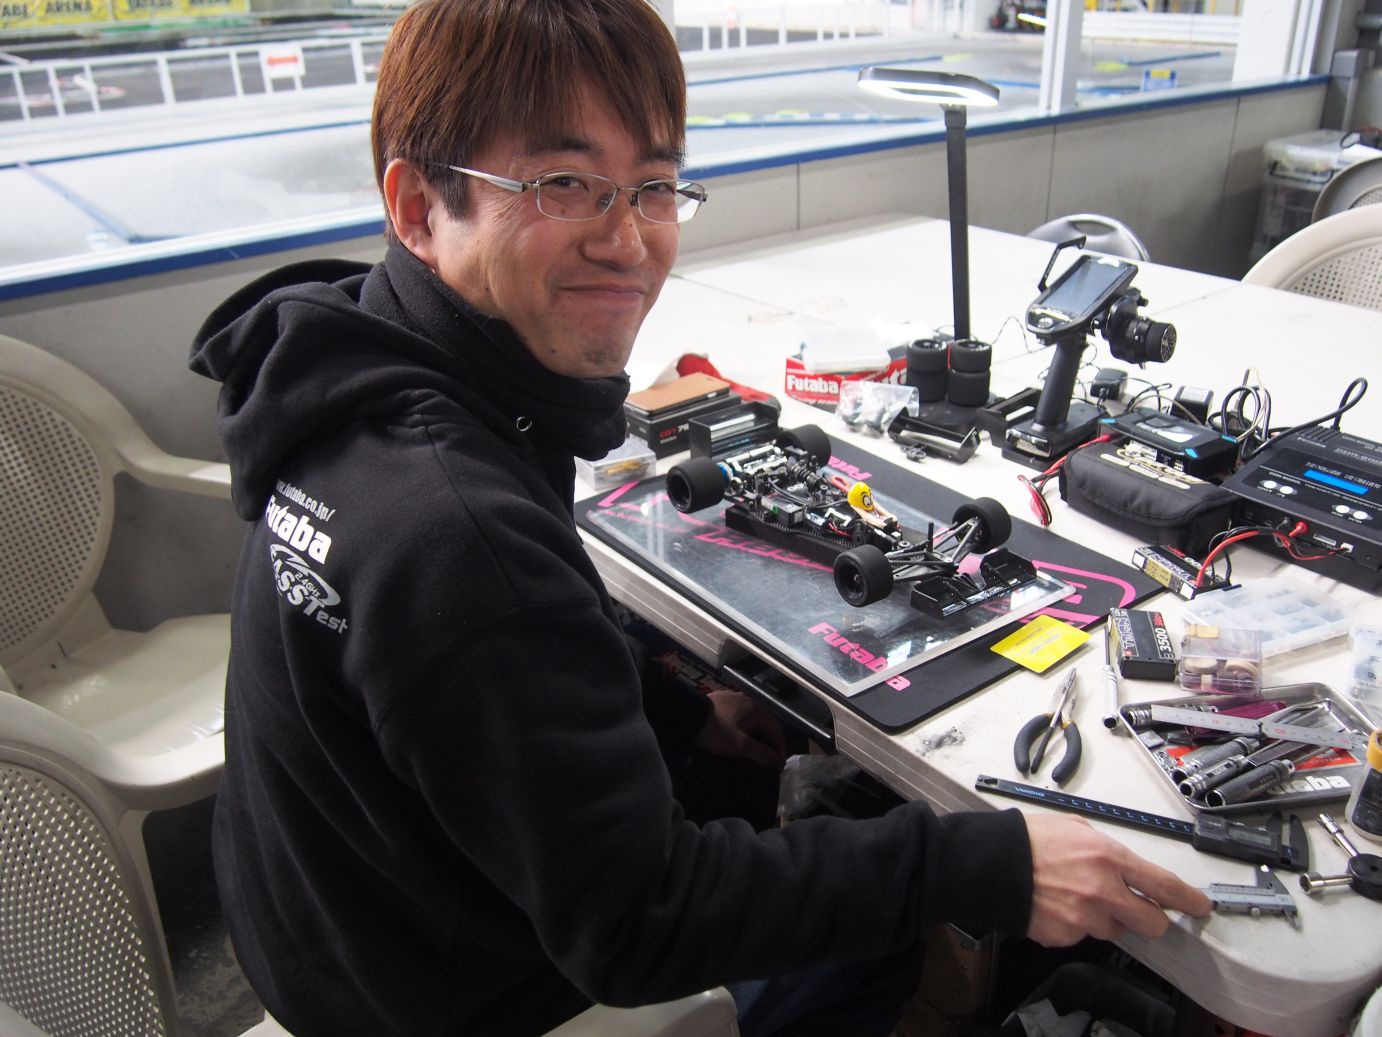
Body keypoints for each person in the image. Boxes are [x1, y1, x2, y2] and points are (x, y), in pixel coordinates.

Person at [189, 0, 1211, 1033]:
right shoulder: (457, 531)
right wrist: (992, 865)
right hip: (446, 998)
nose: (628, 240)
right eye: (563, 183)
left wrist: (685, 714)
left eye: (653, 186)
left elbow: (499, 677)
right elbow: (644, 921)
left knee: (737, 783)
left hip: (337, 918)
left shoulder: (356, 371)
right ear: (419, 206)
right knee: (879, 934)